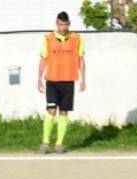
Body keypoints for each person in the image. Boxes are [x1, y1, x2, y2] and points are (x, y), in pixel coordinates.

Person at [37, 11, 86, 154]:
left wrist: (83, 78)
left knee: (64, 112)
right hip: (52, 80)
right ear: (56, 24)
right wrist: (39, 79)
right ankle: (45, 143)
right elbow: (42, 60)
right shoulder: (48, 38)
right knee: (51, 110)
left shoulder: (77, 38)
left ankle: (59, 144)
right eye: (60, 24)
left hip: (69, 80)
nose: (63, 27)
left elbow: (81, 59)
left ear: (69, 24)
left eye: (65, 24)